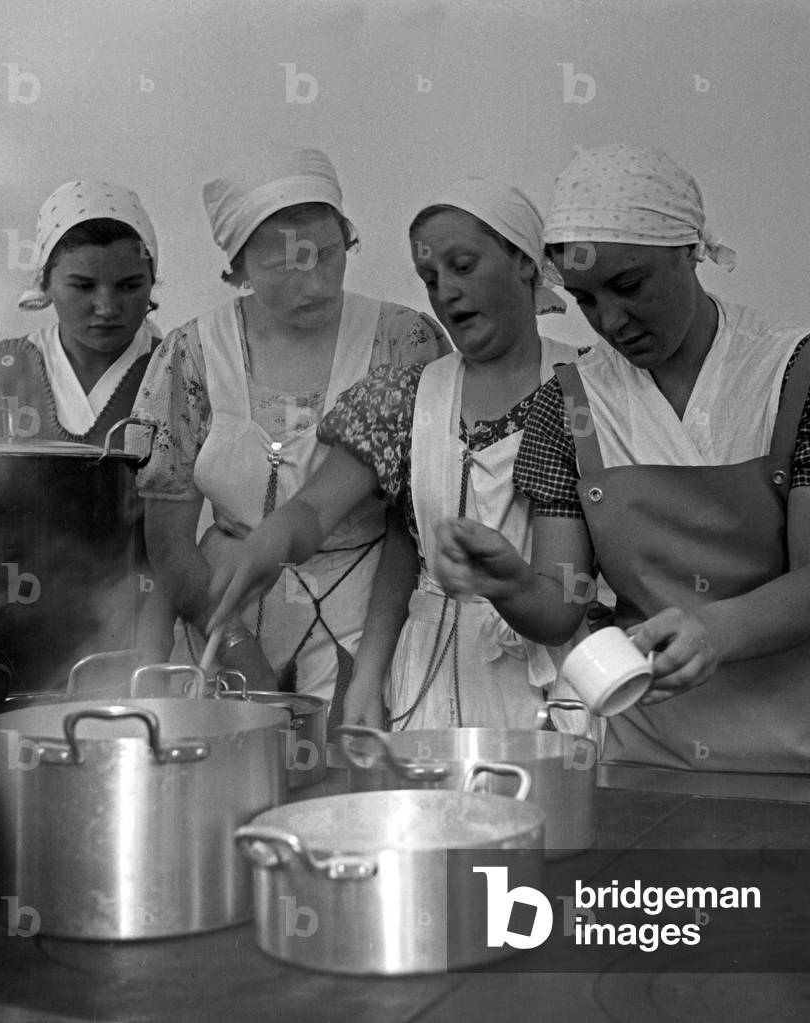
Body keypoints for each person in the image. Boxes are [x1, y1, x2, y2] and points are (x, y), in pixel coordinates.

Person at [432, 144, 810, 774]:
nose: (611, 321)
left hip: (808, 752)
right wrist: (508, 582)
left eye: (629, 285)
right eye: (585, 299)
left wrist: (714, 632)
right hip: (652, 756)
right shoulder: (566, 407)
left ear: (687, 251)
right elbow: (560, 607)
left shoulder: (804, 375)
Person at [206, 179, 590, 731]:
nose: (446, 292)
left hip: (549, 682)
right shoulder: (406, 396)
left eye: (463, 266)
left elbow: (577, 583)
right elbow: (331, 518)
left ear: (525, 261)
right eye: (430, 279)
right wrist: (271, 543)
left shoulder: (586, 387)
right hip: (427, 681)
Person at [133, 147, 448, 715]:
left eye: (328, 254)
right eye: (281, 265)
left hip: (371, 618)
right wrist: (234, 647)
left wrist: (371, 670)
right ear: (237, 268)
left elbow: (414, 524)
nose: (313, 285)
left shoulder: (404, 342)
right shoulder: (191, 356)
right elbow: (169, 539)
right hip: (220, 612)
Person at [0, 180, 166, 691]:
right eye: (83, 286)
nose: (107, 307)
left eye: (130, 286)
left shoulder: (179, 372)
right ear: (46, 282)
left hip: (136, 630)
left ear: (153, 281)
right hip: (6, 629)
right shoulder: (3, 371)